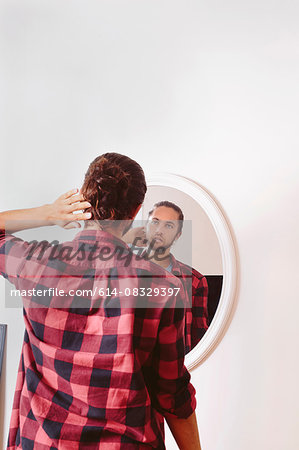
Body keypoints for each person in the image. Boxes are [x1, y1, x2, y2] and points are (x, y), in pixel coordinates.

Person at [0, 153, 202, 449]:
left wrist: (49, 213)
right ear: (135, 212)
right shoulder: (162, 286)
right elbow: (172, 394)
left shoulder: (36, 264)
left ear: (83, 197)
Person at [123, 201, 209, 354]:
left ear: (178, 235)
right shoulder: (124, 271)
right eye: (155, 223)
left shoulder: (195, 281)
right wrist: (125, 239)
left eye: (169, 226)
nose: (159, 231)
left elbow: (200, 339)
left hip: (173, 368)